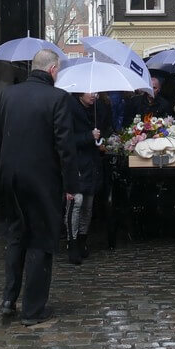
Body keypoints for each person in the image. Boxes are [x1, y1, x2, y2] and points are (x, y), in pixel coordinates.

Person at [0, 49, 78, 326]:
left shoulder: (9, 94)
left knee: (16, 237)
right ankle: (33, 309)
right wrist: (71, 184)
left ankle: (9, 299)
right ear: (53, 70)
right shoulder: (58, 98)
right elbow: (65, 146)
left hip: (11, 178)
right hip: (42, 181)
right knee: (41, 240)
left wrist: (5, 170)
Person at [64, 91, 104, 264]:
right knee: (76, 203)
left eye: (96, 92)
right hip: (77, 164)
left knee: (88, 204)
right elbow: (66, 139)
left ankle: (82, 239)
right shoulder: (70, 108)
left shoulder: (97, 109)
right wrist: (89, 136)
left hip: (92, 164)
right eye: (90, 92)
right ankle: (71, 242)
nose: (94, 95)